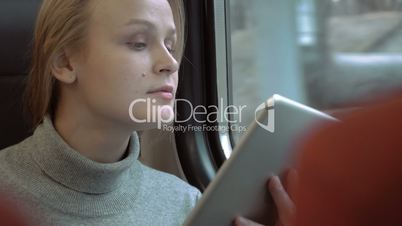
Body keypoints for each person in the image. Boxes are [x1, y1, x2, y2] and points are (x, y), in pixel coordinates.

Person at [0, 0, 293, 225]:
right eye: (139, 43)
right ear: (65, 63)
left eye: (171, 45)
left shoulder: (187, 206)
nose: (171, 63)